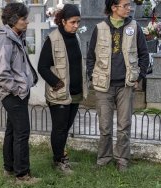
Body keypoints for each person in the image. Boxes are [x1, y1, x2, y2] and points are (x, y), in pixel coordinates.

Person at [86, 0, 149, 171]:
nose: (130, 8)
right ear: (114, 7)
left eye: (129, 5)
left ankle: (122, 160)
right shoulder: (99, 28)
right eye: (126, 5)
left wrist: (139, 77)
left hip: (126, 85)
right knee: (105, 126)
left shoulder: (134, 27)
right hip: (103, 86)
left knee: (124, 125)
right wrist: (92, 76)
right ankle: (104, 159)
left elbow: (144, 55)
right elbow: (90, 56)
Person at [0, 2, 39, 183]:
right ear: (13, 20)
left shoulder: (15, 35)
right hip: (12, 93)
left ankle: (9, 168)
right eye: (24, 18)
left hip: (17, 92)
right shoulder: (5, 39)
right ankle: (22, 175)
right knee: (22, 132)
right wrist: (18, 89)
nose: (27, 22)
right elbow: (1, 72)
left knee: (12, 130)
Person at [37, 4, 87, 174]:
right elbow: (42, 67)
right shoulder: (53, 39)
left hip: (75, 93)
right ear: (63, 21)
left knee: (66, 128)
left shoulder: (76, 38)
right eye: (73, 22)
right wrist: (57, 84)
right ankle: (59, 161)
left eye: (78, 22)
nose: (76, 25)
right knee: (59, 128)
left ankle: (61, 156)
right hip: (59, 94)